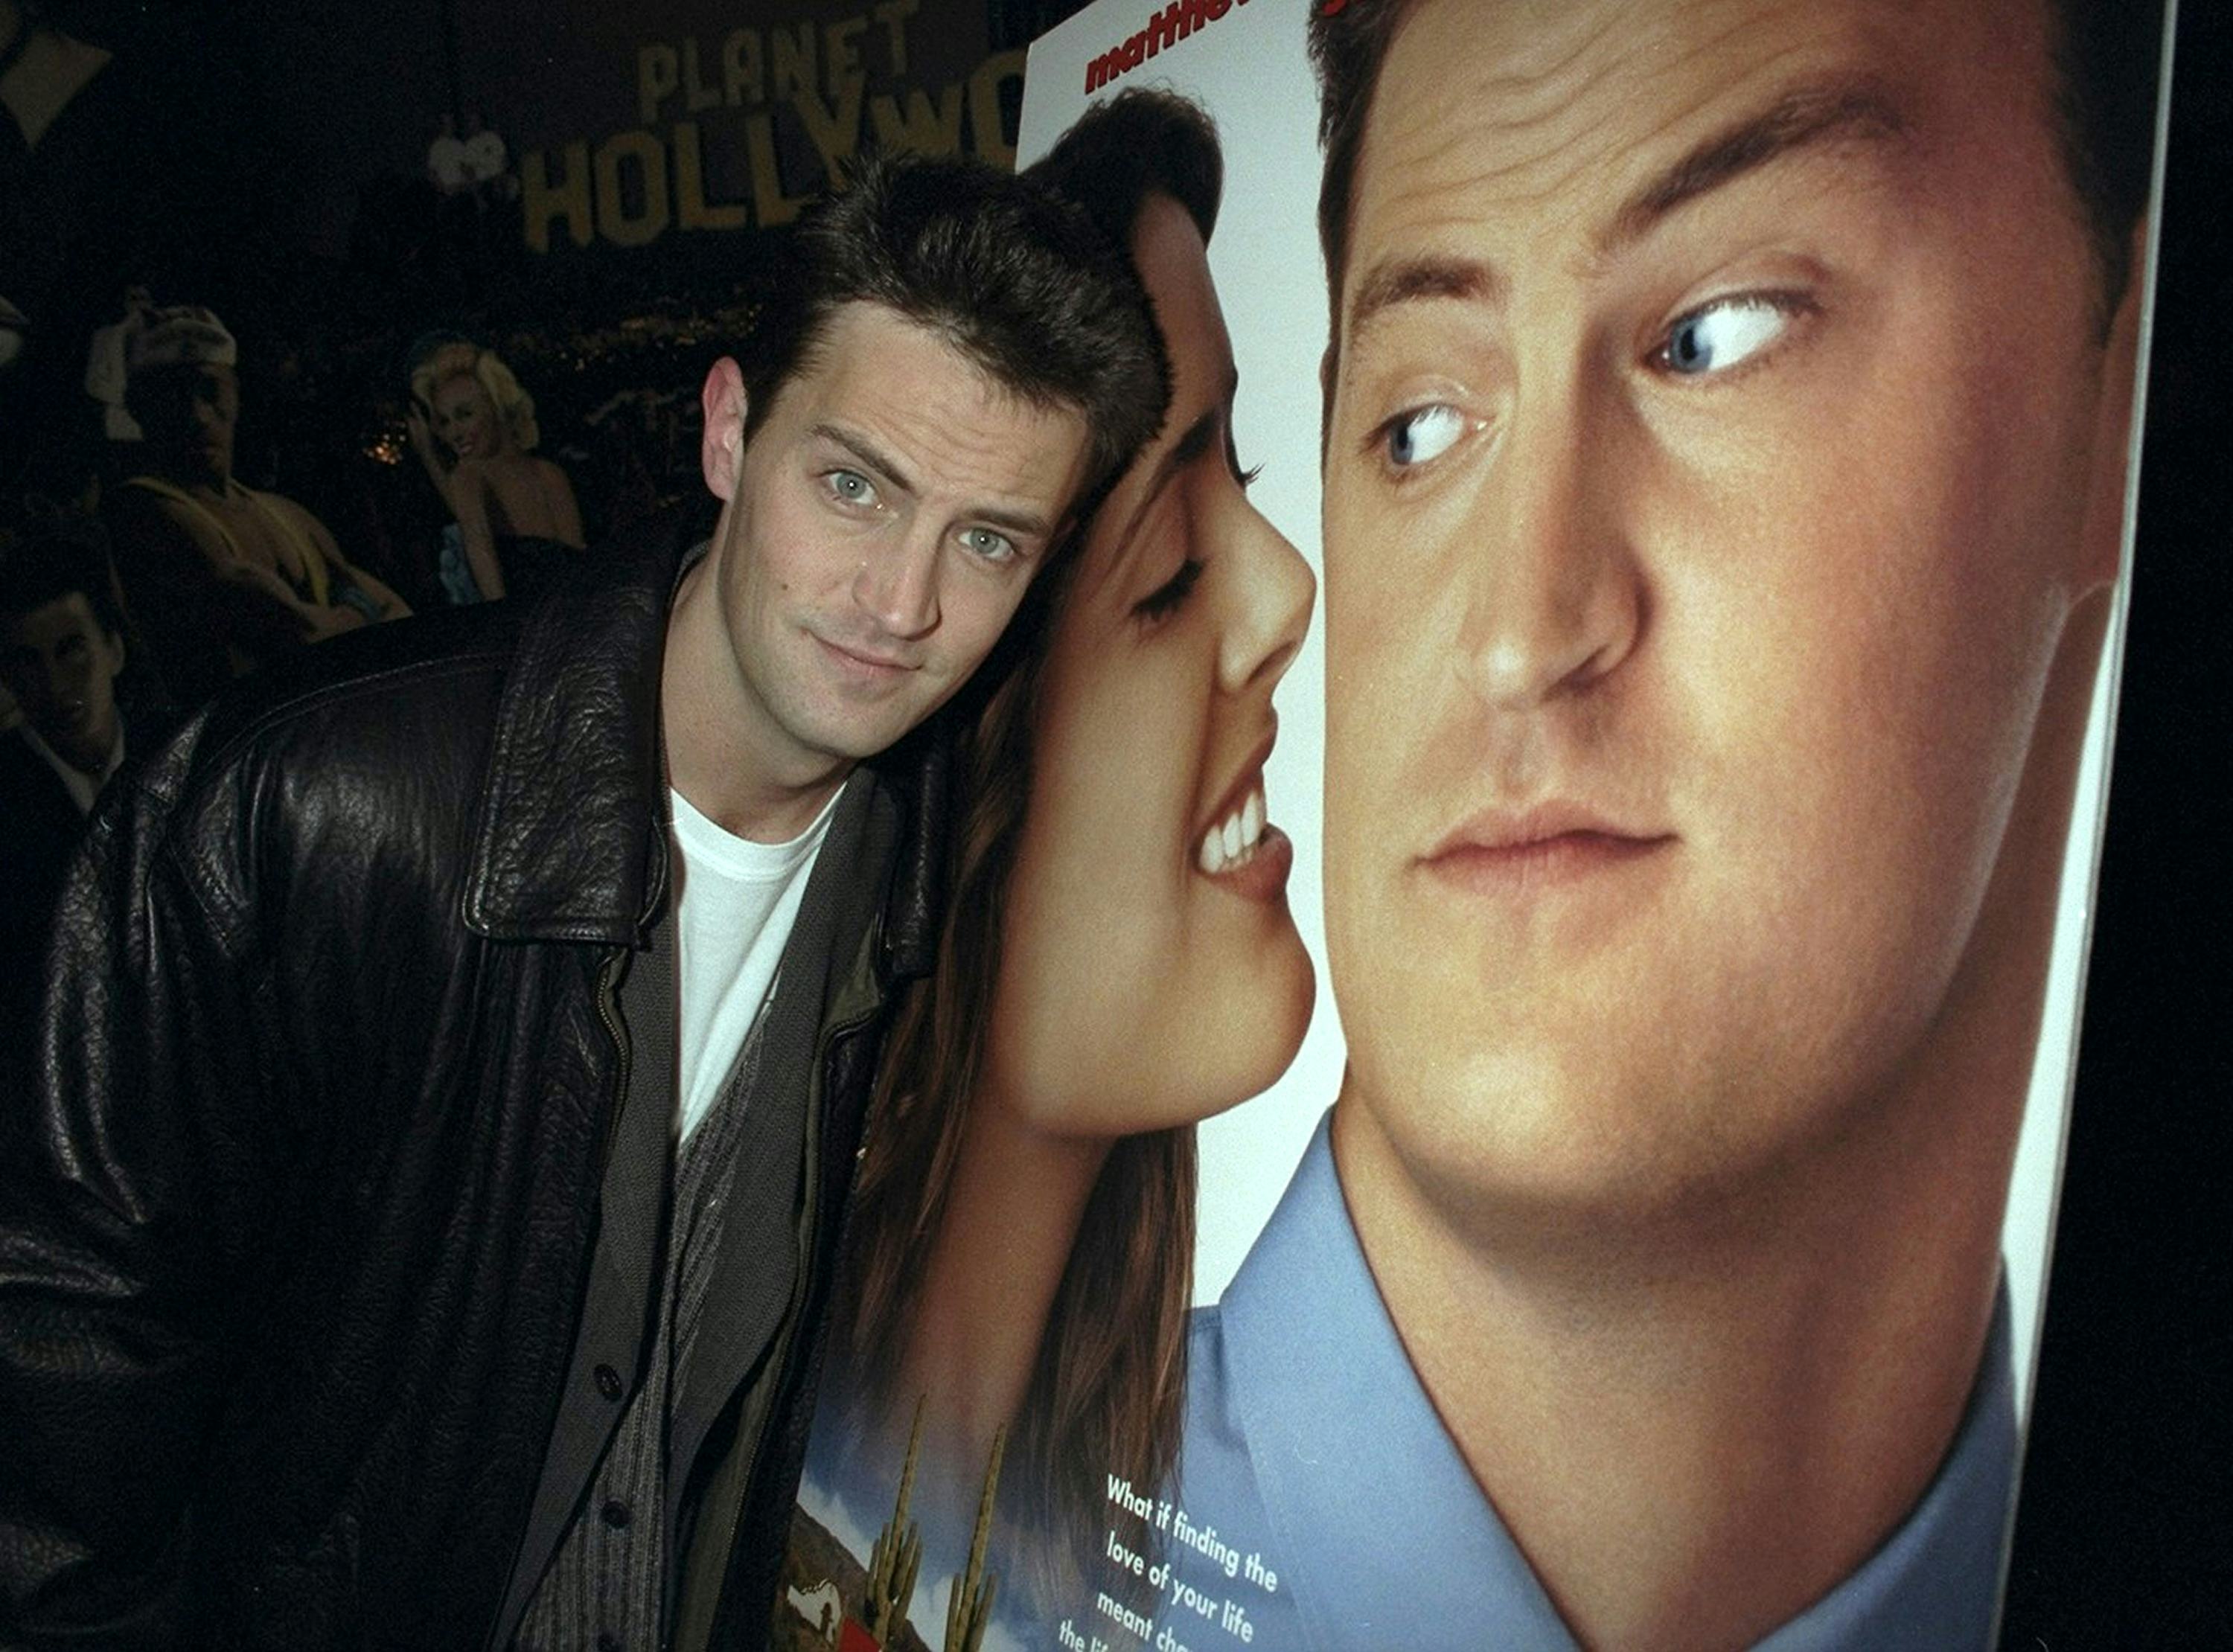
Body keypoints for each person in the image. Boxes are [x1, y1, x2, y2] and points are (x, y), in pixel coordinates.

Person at [0, 151, 1167, 1651]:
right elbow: (57, 1407)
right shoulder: (306, 807)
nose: (901, 603)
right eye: (855, 484)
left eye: (987, 540)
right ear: (731, 431)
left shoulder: (950, 887)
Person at [1170, 0, 2162, 1647]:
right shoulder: (917, 1526)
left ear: (2114, 395)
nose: (1517, 629)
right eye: (1418, 425)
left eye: (1719, 334)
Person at [782, 92, 1315, 1648]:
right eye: (1164, 571)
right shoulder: (732, 1288)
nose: (1283, 592)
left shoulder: (1243, 1491)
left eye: (1250, 472)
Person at [101, 304, 411, 708]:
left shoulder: (284, 514)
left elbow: (400, 617)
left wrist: (349, 616)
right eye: (173, 396)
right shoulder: (145, 511)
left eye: (208, 389)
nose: (197, 415)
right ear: (142, 410)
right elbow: (303, 638)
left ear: (235, 392)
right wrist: (360, 611)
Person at [0, 520, 167, 1071]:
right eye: (30, 662)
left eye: (72, 650)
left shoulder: (176, 758)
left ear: (113, 651)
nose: (55, 683)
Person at [407, 340, 587, 604]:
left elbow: (483, 557)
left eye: (465, 414)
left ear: (497, 407)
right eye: (444, 421)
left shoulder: (469, 476)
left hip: (533, 626)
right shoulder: (549, 474)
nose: (454, 433)